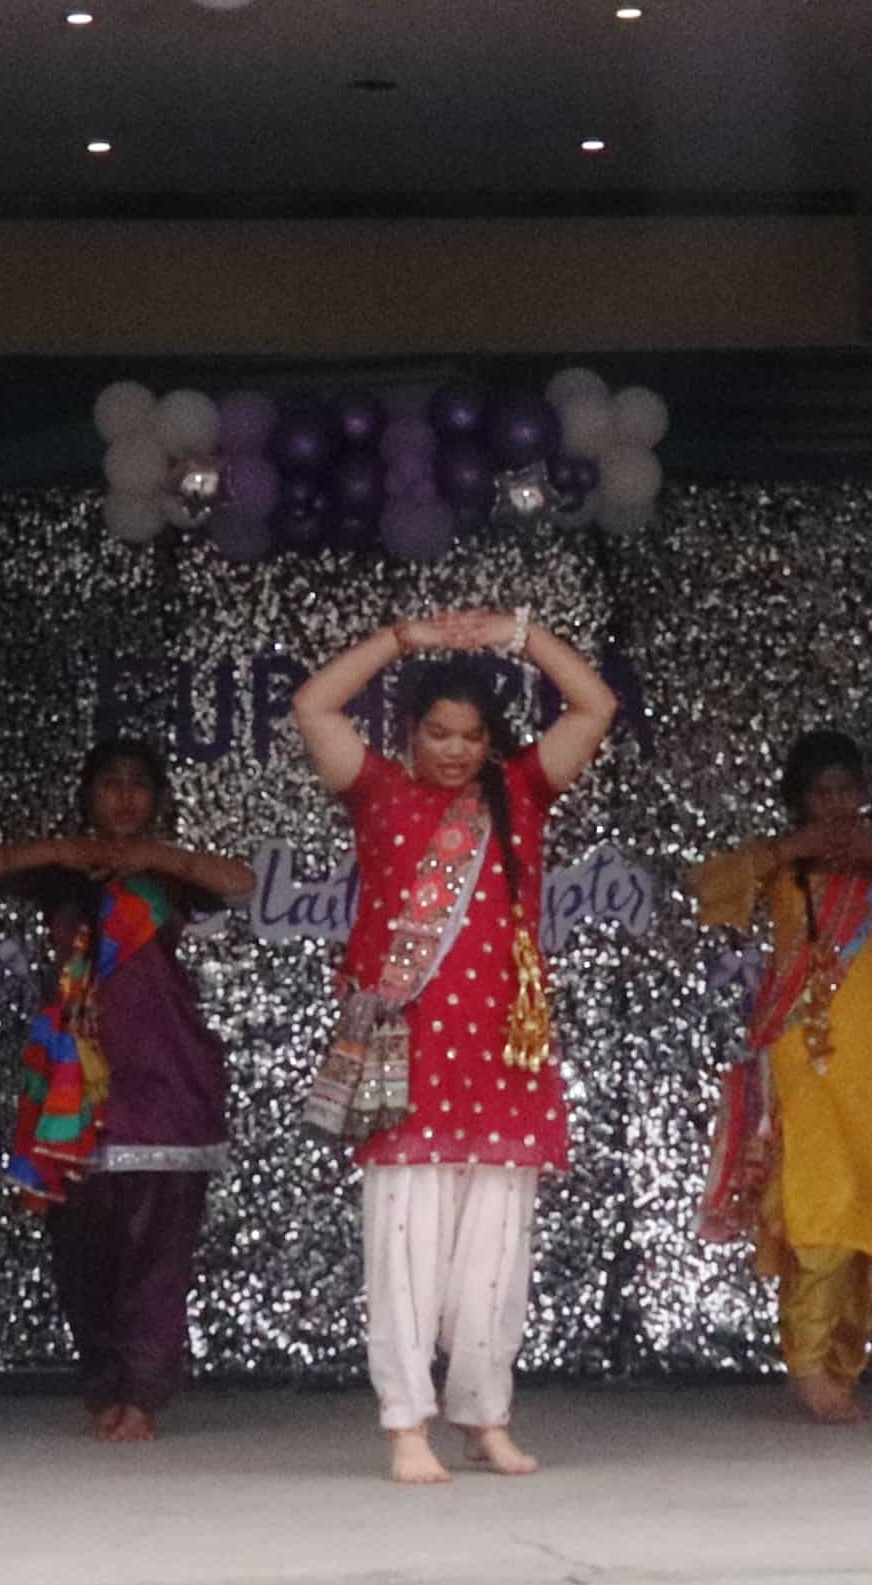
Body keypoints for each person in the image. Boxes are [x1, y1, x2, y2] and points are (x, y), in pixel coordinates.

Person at [293, 605, 620, 1486]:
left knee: (495, 1252)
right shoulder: (379, 793)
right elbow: (314, 705)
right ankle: (407, 1422)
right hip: (407, 1058)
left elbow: (594, 706)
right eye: (438, 733)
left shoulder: (518, 794)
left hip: (504, 1056)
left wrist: (518, 632)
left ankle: (485, 1414)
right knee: (405, 1247)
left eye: (472, 736)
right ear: (410, 731)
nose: (455, 750)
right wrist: (406, 640)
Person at [0, 739, 252, 1442]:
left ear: (158, 799)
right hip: (75, 1084)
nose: (123, 797)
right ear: (86, 794)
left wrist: (152, 858)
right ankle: (103, 1385)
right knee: (81, 1250)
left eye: (138, 784)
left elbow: (240, 882)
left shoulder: (167, 874)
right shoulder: (61, 873)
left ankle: (142, 1395)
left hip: (163, 1076)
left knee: (160, 1249)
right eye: (108, 783)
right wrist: (64, 849)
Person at [691, 729, 872, 1424]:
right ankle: (806, 1363)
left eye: (846, 790)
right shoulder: (782, 868)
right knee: (818, 1204)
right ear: (799, 799)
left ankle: (842, 1360)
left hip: (871, 1061)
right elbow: (706, 889)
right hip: (799, 1051)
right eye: (821, 793)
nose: (835, 805)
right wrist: (785, 851)